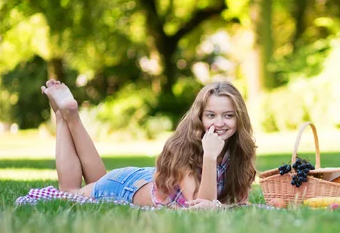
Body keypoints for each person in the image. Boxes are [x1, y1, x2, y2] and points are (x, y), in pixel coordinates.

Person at [41, 79, 257, 209]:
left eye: (228, 116)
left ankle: (69, 116)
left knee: (97, 179)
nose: (219, 123)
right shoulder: (183, 149)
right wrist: (209, 157)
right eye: (211, 115)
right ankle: (64, 116)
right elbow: (201, 205)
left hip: (147, 179)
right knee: (70, 191)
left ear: (239, 118)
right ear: (199, 117)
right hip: (124, 187)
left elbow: (236, 200)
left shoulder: (238, 150)